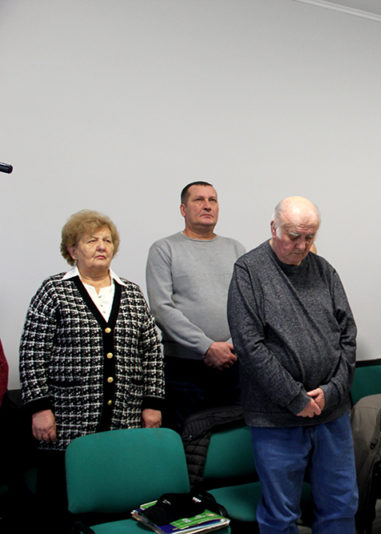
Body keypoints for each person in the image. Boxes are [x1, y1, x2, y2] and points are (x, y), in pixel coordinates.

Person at [19, 210, 163, 527]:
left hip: (124, 420)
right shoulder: (53, 291)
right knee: (59, 508)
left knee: (116, 501)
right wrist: (40, 408)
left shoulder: (132, 293)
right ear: (72, 250)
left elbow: (152, 351)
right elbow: (32, 352)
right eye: (91, 240)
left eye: (107, 240)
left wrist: (152, 403)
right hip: (66, 423)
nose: (101, 246)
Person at [227, 196, 358, 533]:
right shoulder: (249, 271)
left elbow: (348, 335)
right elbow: (249, 345)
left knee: (341, 504)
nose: (302, 246)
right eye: (294, 236)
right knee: (281, 514)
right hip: (276, 417)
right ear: (274, 228)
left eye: (309, 237)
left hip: (332, 411)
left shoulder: (324, 270)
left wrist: (332, 391)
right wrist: (294, 398)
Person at [146, 181, 245, 430]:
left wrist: (231, 346)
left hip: (234, 364)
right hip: (185, 371)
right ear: (183, 209)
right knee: (188, 441)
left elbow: (249, 307)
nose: (207, 206)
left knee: (233, 440)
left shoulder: (236, 249)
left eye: (213, 200)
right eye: (199, 200)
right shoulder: (164, 249)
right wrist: (206, 347)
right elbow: (161, 308)